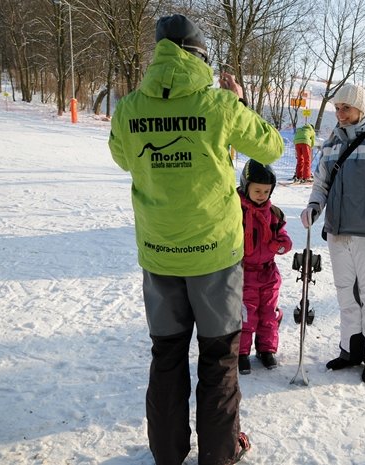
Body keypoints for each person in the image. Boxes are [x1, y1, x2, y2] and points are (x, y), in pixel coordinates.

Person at [108, 14, 283, 465]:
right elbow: (272, 148)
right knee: (219, 359)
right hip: (214, 258)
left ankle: (167, 452)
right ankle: (219, 455)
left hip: (160, 254)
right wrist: (237, 102)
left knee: (166, 356)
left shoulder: (130, 107)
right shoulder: (219, 105)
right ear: (200, 56)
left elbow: (122, 158)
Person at [300, 83, 365, 384]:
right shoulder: (330, 145)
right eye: (337, 108)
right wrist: (315, 206)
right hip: (337, 232)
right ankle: (350, 349)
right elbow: (321, 183)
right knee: (345, 296)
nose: (340, 114)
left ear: (360, 109)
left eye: (346, 108)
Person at [237, 159, 292, 374]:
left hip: (268, 273)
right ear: (245, 187)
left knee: (268, 313)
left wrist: (280, 245)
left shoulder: (274, 214)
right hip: (244, 273)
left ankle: (266, 349)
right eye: (257, 190)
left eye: (266, 191)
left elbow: (283, 237)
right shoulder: (236, 212)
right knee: (245, 314)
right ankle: (241, 352)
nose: (262, 195)